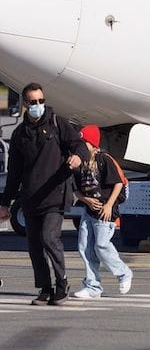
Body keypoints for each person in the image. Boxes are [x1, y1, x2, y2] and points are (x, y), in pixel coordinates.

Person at [0, 83, 88, 305]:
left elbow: (80, 145)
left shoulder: (58, 123)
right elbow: (15, 173)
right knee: (34, 246)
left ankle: (62, 283)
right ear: (24, 104)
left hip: (55, 194)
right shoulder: (20, 134)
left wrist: (77, 157)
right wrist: (5, 203)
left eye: (40, 101)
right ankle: (45, 288)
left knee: (50, 238)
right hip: (30, 197)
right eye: (32, 102)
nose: (37, 105)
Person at [71, 125, 133, 299]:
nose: (80, 148)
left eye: (84, 144)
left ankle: (124, 273)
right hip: (88, 211)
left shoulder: (103, 159)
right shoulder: (79, 163)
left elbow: (118, 183)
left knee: (102, 245)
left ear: (93, 144)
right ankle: (92, 286)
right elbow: (75, 189)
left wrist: (109, 205)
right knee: (85, 247)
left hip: (105, 211)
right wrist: (85, 200)